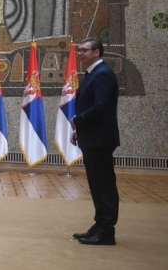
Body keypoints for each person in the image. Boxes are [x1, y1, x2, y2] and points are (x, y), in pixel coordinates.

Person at [70, 37, 121, 246]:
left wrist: (77, 120)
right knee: (97, 184)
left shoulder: (103, 75)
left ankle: (106, 230)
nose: (79, 54)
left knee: (104, 185)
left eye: (84, 51)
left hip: (100, 139)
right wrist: (79, 130)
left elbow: (100, 107)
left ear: (97, 53)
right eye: (79, 50)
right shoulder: (94, 73)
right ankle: (99, 225)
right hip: (93, 137)